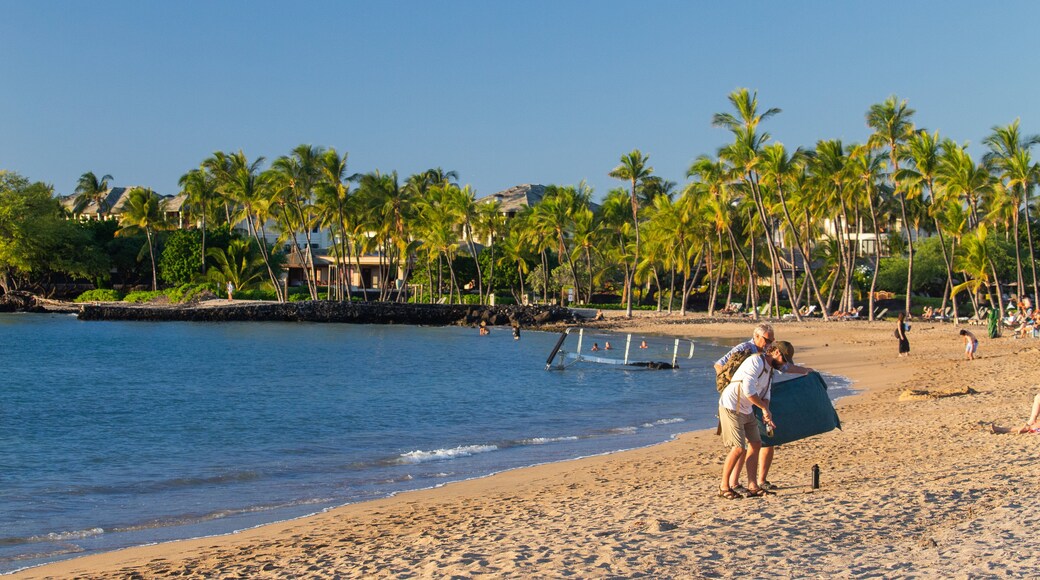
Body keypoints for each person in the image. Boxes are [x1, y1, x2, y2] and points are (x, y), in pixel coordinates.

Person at [718, 341, 791, 499]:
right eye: (784, 360)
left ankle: (753, 486)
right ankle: (724, 487)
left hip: (746, 407)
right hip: (732, 404)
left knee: (756, 443)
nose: (784, 364)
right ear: (777, 353)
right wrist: (764, 409)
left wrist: (767, 412)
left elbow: (766, 394)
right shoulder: (756, 361)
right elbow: (749, 390)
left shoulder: (769, 370)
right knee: (738, 448)